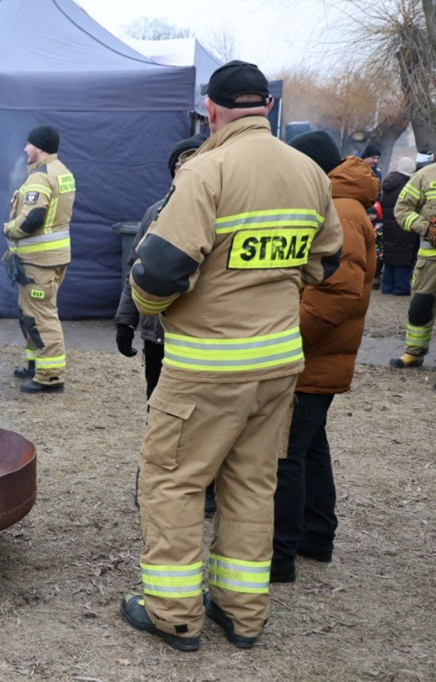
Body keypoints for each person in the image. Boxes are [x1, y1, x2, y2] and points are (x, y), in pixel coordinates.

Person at [120, 60, 343, 652]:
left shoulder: (205, 170)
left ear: (212, 112)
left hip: (206, 368)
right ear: (266, 107)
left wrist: (146, 301)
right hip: (277, 368)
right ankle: (243, 613)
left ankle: (174, 615)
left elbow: (162, 268)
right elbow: (326, 263)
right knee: (251, 486)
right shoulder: (310, 172)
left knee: (173, 483)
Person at [272, 131, 378, 583]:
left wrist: (283, 342)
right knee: (311, 448)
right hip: (321, 356)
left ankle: (279, 555)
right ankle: (317, 536)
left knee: (285, 455)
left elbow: (335, 297)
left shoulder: (339, 211)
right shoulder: (342, 204)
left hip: (311, 356)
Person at [115, 133, 215, 515]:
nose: (183, 168)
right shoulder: (155, 211)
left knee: (204, 418)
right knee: (159, 412)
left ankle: (205, 486)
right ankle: (155, 482)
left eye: (191, 161)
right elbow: (136, 270)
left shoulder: (217, 211)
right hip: (158, 338)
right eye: (178, 163)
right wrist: (127, 319)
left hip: (198, 338)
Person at [3, 125, 75, 393]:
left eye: (28, 144)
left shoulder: (40, 177)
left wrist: (9, 229)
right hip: (53, 258)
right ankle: (34, 363)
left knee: (42, 316)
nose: (24, 149)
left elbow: (33, 217)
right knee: (31, 314)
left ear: (40, 147)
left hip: (39, 261)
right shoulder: (63, 172)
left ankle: (50, 376)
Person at [390, 151, 436, 369]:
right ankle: (414, 353)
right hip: (430, 262)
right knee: (420, 307)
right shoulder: (425, 176)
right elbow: (402, 209)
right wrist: (425, 227)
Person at [379, 157, 420, 295]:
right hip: (403, 226)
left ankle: (386, 287)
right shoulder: (407, 185)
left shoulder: (388, 182)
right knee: (403, 257)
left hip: (388, 226)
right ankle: (400, 288)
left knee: (390, 255)